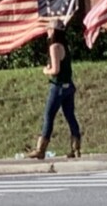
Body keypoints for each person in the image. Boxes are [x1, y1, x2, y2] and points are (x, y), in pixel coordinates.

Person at [28, 19, 82, 160]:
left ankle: (41, 149)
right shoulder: (65, 45)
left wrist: (46, 70)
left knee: (48, 116)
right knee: (70, 116)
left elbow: (55, 70)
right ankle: (76, 148)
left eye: (49, 28)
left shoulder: (54, 47)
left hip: (57, 87)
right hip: (69, 85)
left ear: (53, 31)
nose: (47, 31)